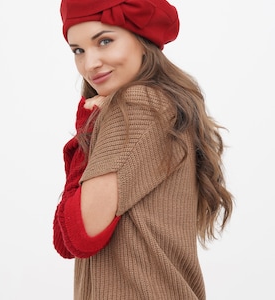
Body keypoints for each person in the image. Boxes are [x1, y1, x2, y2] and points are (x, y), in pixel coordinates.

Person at [53, 0, 233, 299]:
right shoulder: (154, 104)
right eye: (78, 50)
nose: (90, 63)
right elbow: (66, 240)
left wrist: (87, 124)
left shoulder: (138, 105)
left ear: (142, 40)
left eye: (105, 41)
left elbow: (79, 234)